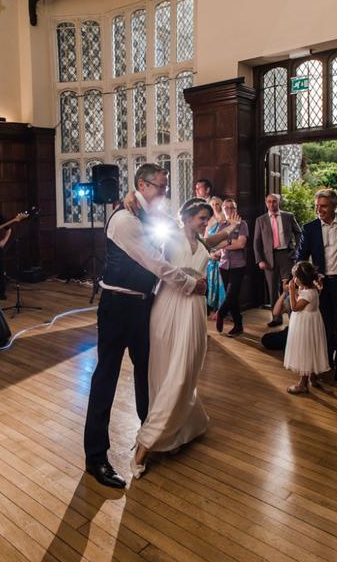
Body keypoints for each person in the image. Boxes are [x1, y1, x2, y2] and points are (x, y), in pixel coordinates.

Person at [83, 164, 208, 489]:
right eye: (161, 187)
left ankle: (149, 435)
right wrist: (189, 284)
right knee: (105, 378)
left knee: (147, 374)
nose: (165, 193)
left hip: (143, 306)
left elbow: (182, 231)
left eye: (166, 187)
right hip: (116, 307)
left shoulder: (148, 215)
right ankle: (95, 458)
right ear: (142, 184)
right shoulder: (123, 219)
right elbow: (156, 262)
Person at [130, 198, 241, 478]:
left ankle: (175, 432)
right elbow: (156, 267)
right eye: (202, 218)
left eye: (207, 219)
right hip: (169, 308)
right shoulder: (169, 239)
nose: (206, 223)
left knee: (187, 371)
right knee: (168, 373)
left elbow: (213, 239)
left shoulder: (203, 243)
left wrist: (230, 229)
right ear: (187, 218)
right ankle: (147, 443)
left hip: (193, 310)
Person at [296, 188, 337, 381]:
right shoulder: (310, 227)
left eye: (323, 206)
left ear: (333, 205)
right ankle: (326, 363)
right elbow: (301, 257)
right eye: (316, 206)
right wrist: (303, 280)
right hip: (320, 285)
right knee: (323, 326)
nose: (318, 210)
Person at [253, 193, 301, 327]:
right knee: (273, 288)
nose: (271, 204)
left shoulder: (288, 216)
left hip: (287, 255)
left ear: (278, 202)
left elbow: (298, 233)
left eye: (274, 201)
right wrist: (260, 260)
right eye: (269, 202)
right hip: (269, 258)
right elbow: (256, 242)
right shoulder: (260, 220)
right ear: (265, 203)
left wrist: (297, 251)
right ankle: (276, 318)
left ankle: (293, 316)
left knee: (290, 287)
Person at [284, 261, 329, 394]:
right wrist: (297, 291)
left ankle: (303, 384)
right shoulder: (310, 289)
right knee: (312, 348)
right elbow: (301, 299)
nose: (293, 279)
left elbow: (295, 307)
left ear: (301, 279)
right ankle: (312, 377)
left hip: (305, 325)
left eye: (294, 277)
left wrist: (292, 291)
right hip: (311, 322)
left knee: (305, 350)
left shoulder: (309, 293)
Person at [214, 199, 249, 337]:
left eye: (232, 208)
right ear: (223, 209)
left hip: (238, 265)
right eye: (227, 208)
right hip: (223, 265)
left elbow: (241, 244)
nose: (229, 210)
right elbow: (216, 244)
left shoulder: (243, 224)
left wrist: (224, 243)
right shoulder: (221, 226)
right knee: (232, 297)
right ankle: (238, 325)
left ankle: (220, 313)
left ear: (236, 209)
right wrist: (229, 242)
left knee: (231, 294)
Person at [204, 196, 226, 314]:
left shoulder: (224, 219)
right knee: (212, 282)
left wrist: (220, 252)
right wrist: (211, 253)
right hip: (211, 256)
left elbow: (228, 238)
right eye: (212, 204)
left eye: (217, 204)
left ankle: (221, 310)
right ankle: (213, 308)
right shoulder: (209, 220)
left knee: (222, 283)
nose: (215, 206)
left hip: (223, 255)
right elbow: (206, 240)